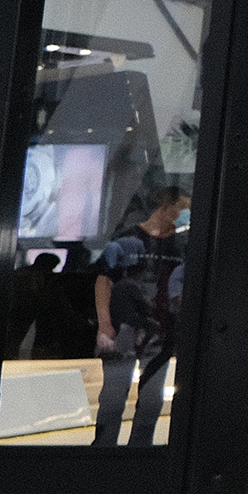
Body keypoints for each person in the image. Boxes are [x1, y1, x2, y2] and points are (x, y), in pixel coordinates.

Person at [92, 187, 189, 446]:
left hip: (161, 332)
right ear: (166, 206)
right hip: (123, 329)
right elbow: (104, 281)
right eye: (183, 208)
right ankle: (103, 450)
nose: (186, 214)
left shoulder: (181, 246)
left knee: (152, 399)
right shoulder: (127, 239)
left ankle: (140, 451)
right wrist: (104, 323)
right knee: (113, 397)